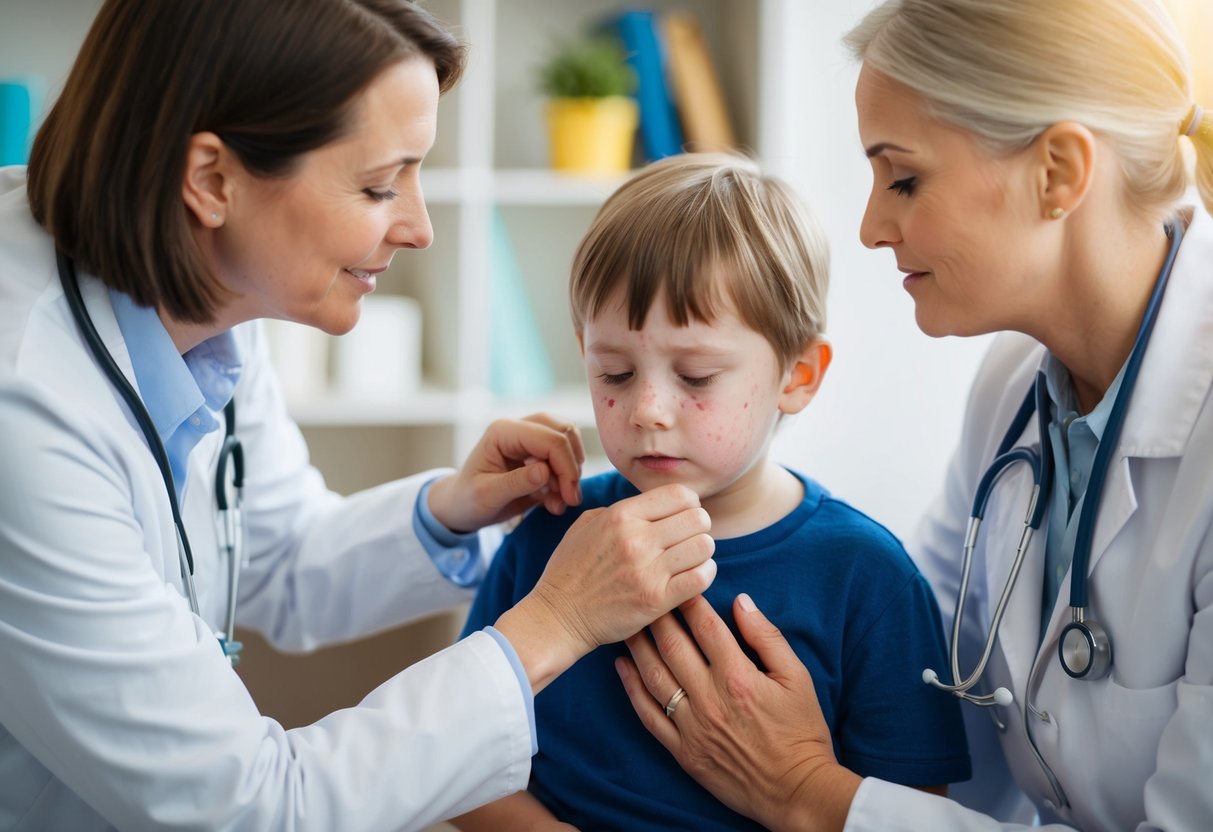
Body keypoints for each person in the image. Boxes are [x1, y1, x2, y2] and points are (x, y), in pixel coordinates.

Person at [0, 1, 718, 829]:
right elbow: (254, 808)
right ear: (211, 181)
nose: (417, 227)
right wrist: (556, 623)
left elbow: (277, 560)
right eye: (380, 184)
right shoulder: (28, 407)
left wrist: (453, 510)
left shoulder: (204, 298)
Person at [614, 1, 1213, 830]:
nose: (868, 228)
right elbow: (914, 677)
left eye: (902, 178)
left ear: (1059, 172)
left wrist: (800, 794)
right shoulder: (1013, 389)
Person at [450, 153, 972, 832]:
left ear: (798, 375)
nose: (647, 410)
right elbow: (461, 770)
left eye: (695, 377)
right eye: (613, 372)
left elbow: (904, 814)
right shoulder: (553, 535)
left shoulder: (865, 578)